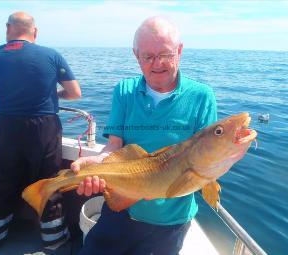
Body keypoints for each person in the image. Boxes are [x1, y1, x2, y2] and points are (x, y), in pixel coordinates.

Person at [71, 16, 217, 255]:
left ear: (179, 51)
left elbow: (206, 156)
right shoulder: (125, 90)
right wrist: (98, 163)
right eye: (147, 56)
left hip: (170, 222)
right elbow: (114, 148)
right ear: (135, 55)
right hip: (121, 210)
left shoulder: (202, 97)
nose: (157, 63)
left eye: (166, 54)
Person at [0, 12, 81, 253]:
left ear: (8, 29)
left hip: (7, 126)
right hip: (43, 128)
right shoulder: (51, 55)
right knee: (48, 182)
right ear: (35, 32)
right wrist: (53, 95)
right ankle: (54, 240)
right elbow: (75, 92)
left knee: (0, 182)